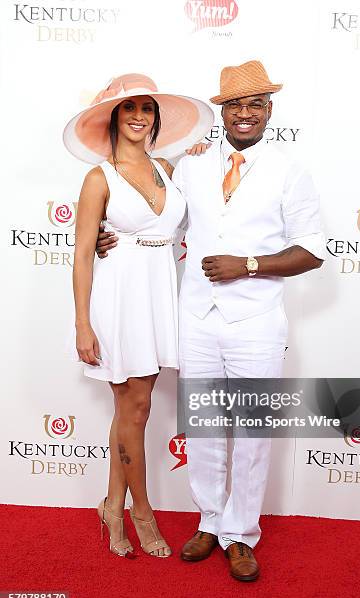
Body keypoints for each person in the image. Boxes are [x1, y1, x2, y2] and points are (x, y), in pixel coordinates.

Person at [96, 60, 325, 580]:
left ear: (270, 110)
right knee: (202, 429)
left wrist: (247, 266)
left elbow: (312, 251)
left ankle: (241, 535)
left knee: (250, 433)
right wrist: (110, 239)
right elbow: (151, 215)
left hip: (257, 321)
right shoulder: (192, 164)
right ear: (221, 112)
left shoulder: (291, 171)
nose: (244, 114)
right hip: (196, 317)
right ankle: (209, 521)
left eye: (255, 104)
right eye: (235, 105)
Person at [64, 73, 213, 559]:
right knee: (135, 409)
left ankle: (112, 506)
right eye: (128, 109)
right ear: (113, 118)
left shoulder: (168, 167)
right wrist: (84, 324)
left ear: (155, 118)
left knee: (133, 409)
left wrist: (196, 155)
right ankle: (141, 514)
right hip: (117, 300)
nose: (138, 117)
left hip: (157, 297)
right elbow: (84, 253)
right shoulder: (97, 178)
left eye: (146, 109)